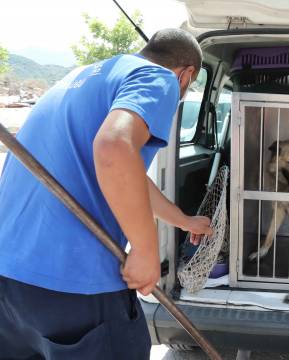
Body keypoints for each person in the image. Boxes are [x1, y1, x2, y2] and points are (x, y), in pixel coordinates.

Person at [0, 29, 211, 359]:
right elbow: (114, 148)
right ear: (186, 74)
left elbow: (128, 174)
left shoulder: (80, 77)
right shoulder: (159, 78)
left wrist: (184, 221)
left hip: (11, 281)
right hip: (73, 282)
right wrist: (145, 250)